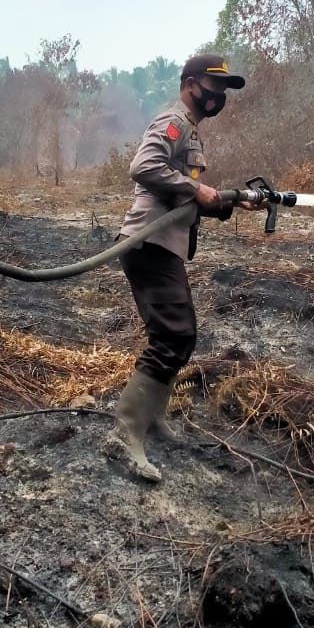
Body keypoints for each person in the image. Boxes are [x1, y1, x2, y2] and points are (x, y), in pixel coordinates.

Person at [104, 54, 257, 483]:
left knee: (179, 334)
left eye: (225, 90)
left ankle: (151, 419)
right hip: (147, 241)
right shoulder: (172, 123)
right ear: (191, 84)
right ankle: (126, 433)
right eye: (214, 86)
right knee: (174, 335)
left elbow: (187, 200)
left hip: (163, 243)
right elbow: (143, 167)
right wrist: (197, 188)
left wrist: (229, 200)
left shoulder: (191, 132)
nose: (219, 96)